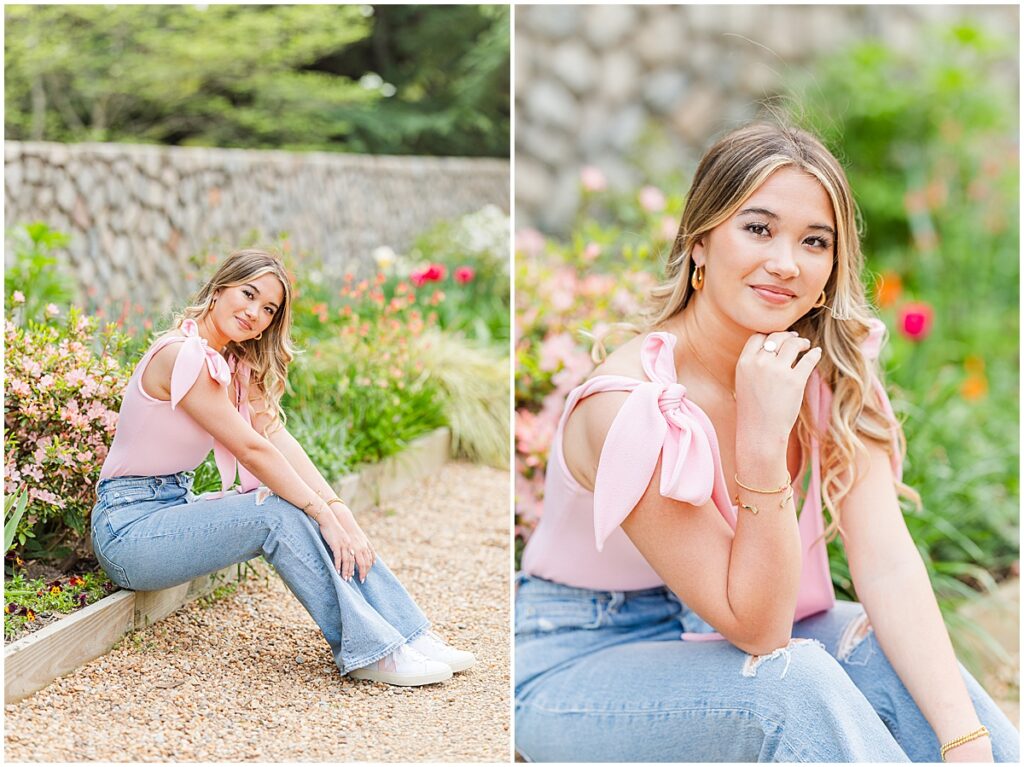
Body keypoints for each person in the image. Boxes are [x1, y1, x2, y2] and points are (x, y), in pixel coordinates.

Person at [515, 123, 1019, 761]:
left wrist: (964, 742)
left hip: (716, 639)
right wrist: (761, 440)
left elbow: (887, 565)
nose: (786, 263)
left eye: (815, 241)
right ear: (700, 242)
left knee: (877, 645)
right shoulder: (632, 407)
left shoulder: (823, 371)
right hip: (578, 664)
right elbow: (760, 629)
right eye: (758, 228)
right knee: (793, 684)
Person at [92, 249, 475, 687]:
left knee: (298, 509)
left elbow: (274, 437)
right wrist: (322, 514)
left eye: (268, 308)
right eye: (248, 294)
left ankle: (408, 632)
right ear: (219, 290)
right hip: (129, 530)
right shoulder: (183, 355)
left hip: (171, 507)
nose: (254, 313)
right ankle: (373, 650)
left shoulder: (231, 362)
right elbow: (252, 451)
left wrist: (336, 507)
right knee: (275, 512)